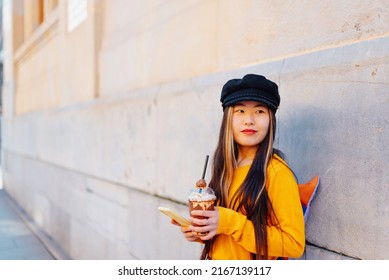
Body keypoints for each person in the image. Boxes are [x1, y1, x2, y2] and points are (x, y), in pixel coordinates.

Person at [173, 74, 305, 260]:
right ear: (228, 119)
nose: (249, 120)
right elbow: (229, 238)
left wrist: (228, 222)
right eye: (240, 111)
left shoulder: (276, 173)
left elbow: (294, 245)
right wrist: (203, 232)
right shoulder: (226, 168)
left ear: (270, 120)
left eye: (259, 111)